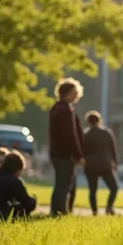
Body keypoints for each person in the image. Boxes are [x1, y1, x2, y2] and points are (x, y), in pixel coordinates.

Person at [49, 77, 86, 216]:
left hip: (57, 153)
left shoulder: (57, 108)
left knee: (61, 183)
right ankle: (59, 212)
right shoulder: (65, 110)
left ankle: (57, 210)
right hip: (64, 155)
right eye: (75, 92)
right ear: (69, 92)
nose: (77, 95)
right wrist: (77, 155)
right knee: (64, 185)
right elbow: (70, 135)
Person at [82, 111, 119, 216]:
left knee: (92, 190)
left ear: (88, 122)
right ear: (99, 120)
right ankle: (109, 207)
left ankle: (94, 212)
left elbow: (82, 150)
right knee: (114, 188)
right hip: (105, 164)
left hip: (90, 165)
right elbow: (113, 149)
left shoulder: (85, 134)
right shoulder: (107, 133)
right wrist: (115, 162)